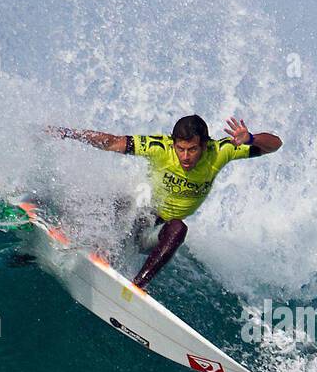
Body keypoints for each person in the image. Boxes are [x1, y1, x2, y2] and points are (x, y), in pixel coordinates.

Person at [44, 115, 282, 288]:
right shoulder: (160, 147)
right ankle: (74, 237)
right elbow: (112, 142)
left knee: (178, 227)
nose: (185, 157)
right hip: (138, 218)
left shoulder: (220, 151)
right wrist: (69, 134)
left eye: (192, 150)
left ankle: (136, 287)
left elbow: (274, 145)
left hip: (157, 233)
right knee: (126, 201)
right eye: (181, 149)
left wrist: (251, 138)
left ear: (205, 145)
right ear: (173, 143)